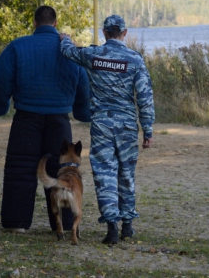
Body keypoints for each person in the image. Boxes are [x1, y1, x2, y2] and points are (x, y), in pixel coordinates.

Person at [0, 5, 91, 233]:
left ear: (34, 23)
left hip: (26, 118)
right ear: (55, 23)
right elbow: (83, 85)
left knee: (20, 169)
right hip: (59, 121)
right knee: (61, 172)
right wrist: (84, 112)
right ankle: (60, 226)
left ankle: (17, 224)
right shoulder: (69, 50)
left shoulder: (18, 46)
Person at [59, 14, 155, 244]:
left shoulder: (93, 55)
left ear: (104, 33)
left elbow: (68, 51)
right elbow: (145, 97)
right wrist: (148, 130)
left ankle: (112, 227)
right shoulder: (135, 59)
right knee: (126, 174)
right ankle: (128, 225)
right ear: (124, 33)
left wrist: (65, 38)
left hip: (102, 124)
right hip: (127, 126)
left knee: (105, 175)